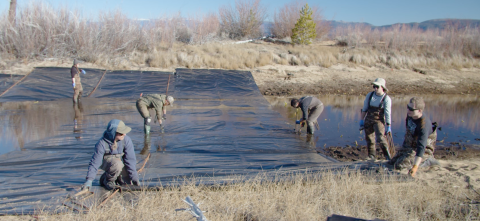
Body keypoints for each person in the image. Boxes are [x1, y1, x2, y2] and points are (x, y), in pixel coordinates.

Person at [82, 119, 140, 190]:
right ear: (113, 133)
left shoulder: (126, 140)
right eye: (121, 133)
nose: (124, 134)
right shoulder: (101, 143)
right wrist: (89, 180)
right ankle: (107, 180)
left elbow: (130, 160)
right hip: (108, 163)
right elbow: (95, 163)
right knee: (117, 164)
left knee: (126, 183)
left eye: (124, 132)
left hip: (119, 164)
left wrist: (134, 178)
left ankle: (115, 177)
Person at [389, 97, 438, 177]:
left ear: (420, 110)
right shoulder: (410, 116)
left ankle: (426, 161)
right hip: (409, 148)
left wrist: (415, 167)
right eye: (408, 107)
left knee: (400, 165)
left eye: (411, 109)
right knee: (392, 162)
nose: (408, 110)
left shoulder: (423, 126)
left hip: (423, 150)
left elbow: (421, 147)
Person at [359, 78, 392, 161]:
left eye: (377, 86)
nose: (375, 88)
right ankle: (371, 156)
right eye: (374, 86)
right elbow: (365, 108)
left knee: (381, 138)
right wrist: (361, 120)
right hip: (368, 119)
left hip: (379, 120)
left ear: (382, 87)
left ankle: (387, 156)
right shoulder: (370, 95)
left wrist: (388, 125)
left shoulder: (386, 99)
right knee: (369, 138)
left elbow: (387, 113)